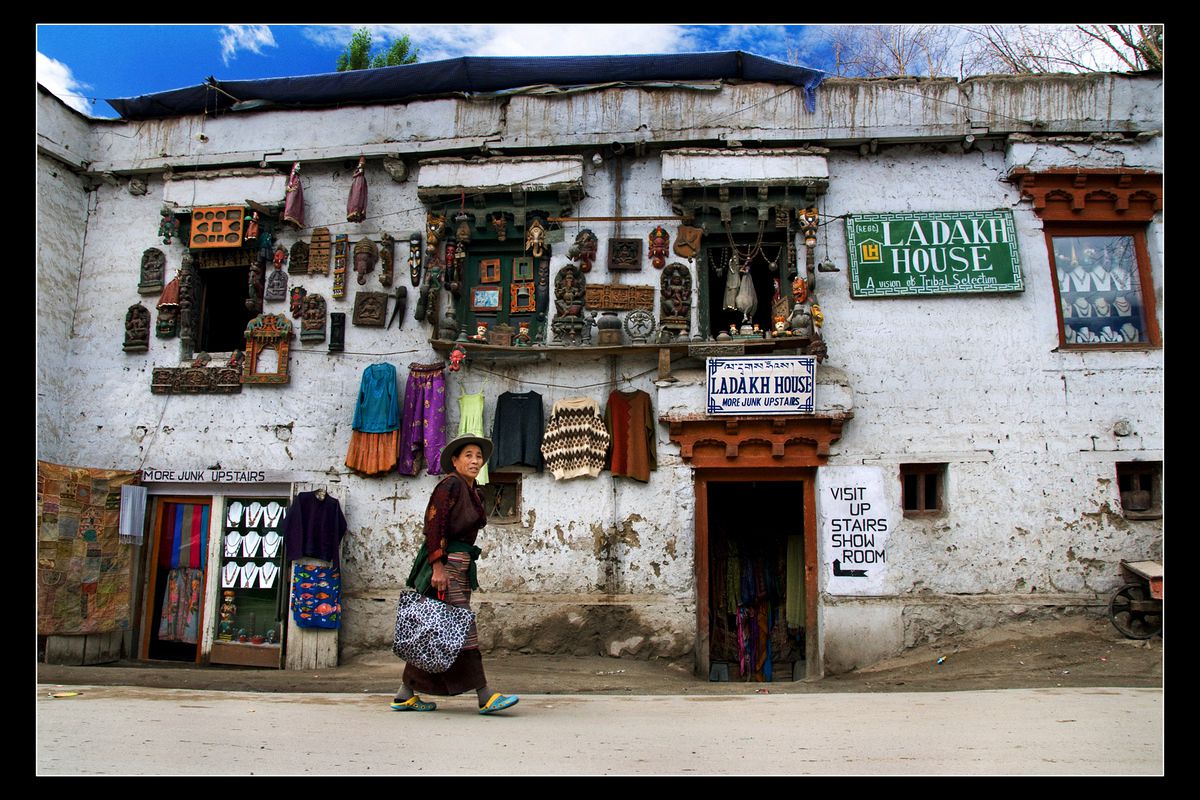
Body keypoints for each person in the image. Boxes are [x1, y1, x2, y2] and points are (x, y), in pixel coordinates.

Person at [392, 433, 519, 715]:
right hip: (446, 567)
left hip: (459, 567)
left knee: (437, 628)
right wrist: (438, 566)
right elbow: (434, 525)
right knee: (464, 627)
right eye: (469, 456)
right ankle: (485, 695)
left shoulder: (472, 489)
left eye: (478, 457)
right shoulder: (449, 485)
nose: (475, 461)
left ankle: (405, 694)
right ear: (455, 460)